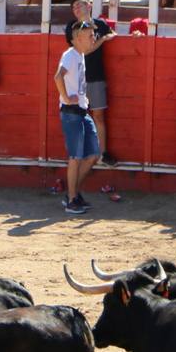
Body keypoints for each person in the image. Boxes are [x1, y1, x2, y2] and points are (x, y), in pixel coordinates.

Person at [64, 0, 117, 163]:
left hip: (96, 76)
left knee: (98, 116)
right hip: (78, 79)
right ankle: (81, 154)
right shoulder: (72, 27)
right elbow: (84, 51)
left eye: (80, 4)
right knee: (79, 117)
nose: (77, 9)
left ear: (89, 5)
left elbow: (113, 34)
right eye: (74, 7)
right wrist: (102, 40)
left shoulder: (100, 25)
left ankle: (102, 154)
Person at [54, 21, 101, 215]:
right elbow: (58, 76)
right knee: (75, 157)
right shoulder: (70, 55)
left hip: (81, 110)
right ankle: (72, 199)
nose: (93, 39)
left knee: (93, 155)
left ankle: (72, 194)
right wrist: (66, 98)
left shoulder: (79, 55)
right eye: (90, 36)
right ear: (78, 38)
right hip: (71, 112)